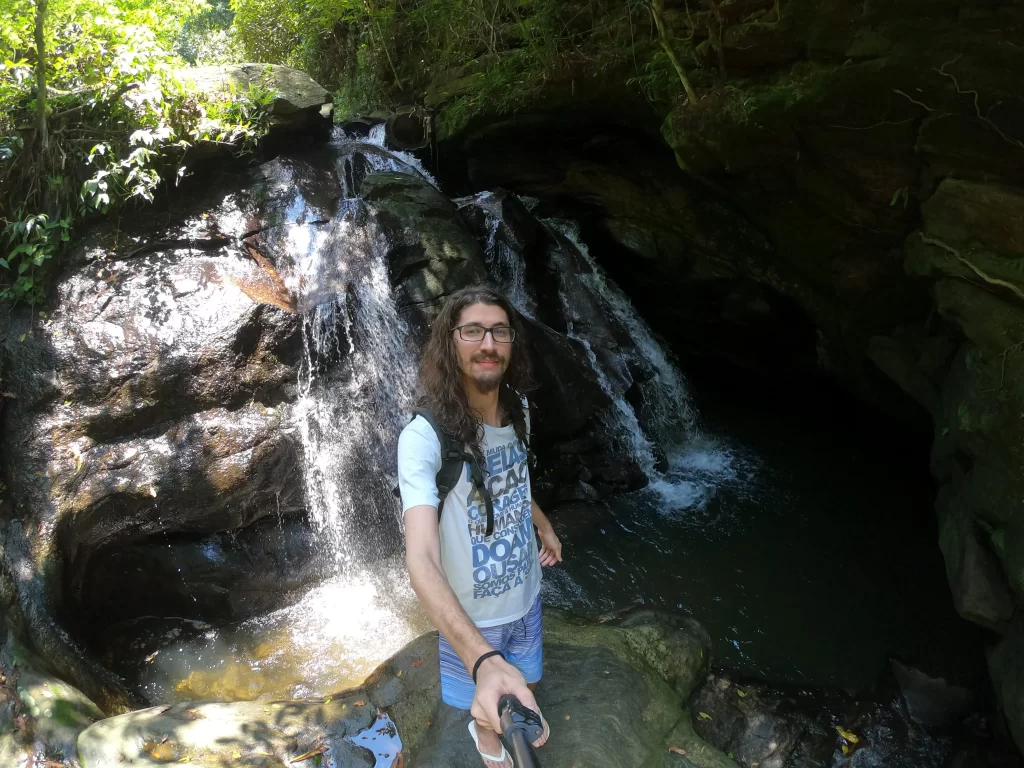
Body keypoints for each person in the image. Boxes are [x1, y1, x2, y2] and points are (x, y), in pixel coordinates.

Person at [397, 285, 563, 768]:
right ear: (451, 343)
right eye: (472, 331)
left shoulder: (519, 410)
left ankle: (511, 714)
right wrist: (482, 657)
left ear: (512, 343)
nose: (487, 344)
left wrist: (544, 525)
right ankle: (489, 744)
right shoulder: (423, 438)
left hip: (525, 595)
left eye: (498, 331)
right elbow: (421, 559)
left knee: (524, 680)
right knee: (488, 695)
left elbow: (513, 478)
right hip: (471, 619)